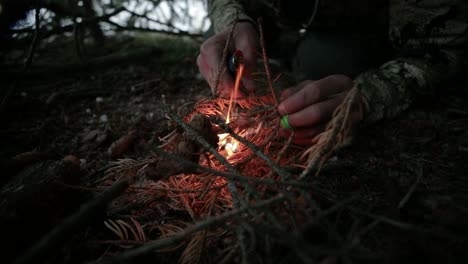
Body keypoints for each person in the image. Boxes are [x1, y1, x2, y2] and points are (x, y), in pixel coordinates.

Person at [197, 0, 467, 145]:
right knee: (215, 39)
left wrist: (367, 96)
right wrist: (234, 22)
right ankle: (287, 50)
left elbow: (442, 49)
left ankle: (302, 55)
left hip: (353, 24)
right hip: (272, 17)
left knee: (324, 65)